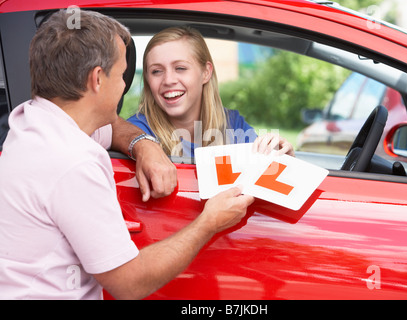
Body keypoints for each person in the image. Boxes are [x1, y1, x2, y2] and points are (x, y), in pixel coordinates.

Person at [0, 9, 254, 300]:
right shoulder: (72, 161)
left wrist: (143, 145)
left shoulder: (37, 121)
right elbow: (129, 284)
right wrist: (209, 223)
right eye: (122, 75)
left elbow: (115, 128)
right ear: (98, 79)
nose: (124, 86)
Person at [128, 26, 294, 158]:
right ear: (148, 80)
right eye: (156, 71)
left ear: (206, 72)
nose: (169, 80)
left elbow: (264, 174)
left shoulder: (232, 124)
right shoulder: (138, 131)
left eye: (180, 68)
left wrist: (282, 157)